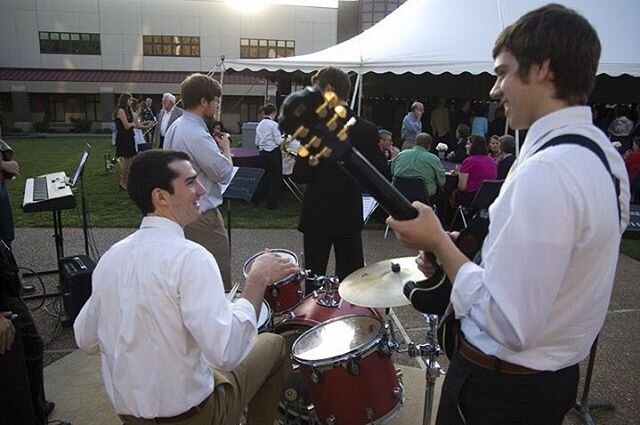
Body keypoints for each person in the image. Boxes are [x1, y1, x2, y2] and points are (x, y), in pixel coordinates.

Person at [387, 5, 630, 425]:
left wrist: (440, 244)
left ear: (543, 69)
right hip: (549, 382)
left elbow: (509, 322)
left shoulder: (546, 172)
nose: (495, 89)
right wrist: (452, 257)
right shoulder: (606, 160)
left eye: (503, 72)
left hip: (500, 394)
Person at [74, 150, 298, 425]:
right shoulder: (192, 257)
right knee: (273, 345)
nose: (202, 190)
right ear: (160, 197)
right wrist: (257, 280)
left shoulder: (111, 257)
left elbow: (84, 338)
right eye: (191, 182)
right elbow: (226, 353)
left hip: (131, 416)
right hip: (193, 417)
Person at [292, 66, 386, 283]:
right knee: (351, 283)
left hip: (317, 214)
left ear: (328, 89)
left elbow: (300, 175)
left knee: (314, 282)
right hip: (349, 213)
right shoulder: (369, 130)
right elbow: (369, 176)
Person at [163, 74, 234, 291]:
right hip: (201, 215)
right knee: (217, 273)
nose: (217, 105)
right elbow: (223, 173)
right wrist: (226, 149)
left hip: (180, 211)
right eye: (215, 100)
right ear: (204, 101)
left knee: (191, 276)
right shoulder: (196, 133)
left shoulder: (177, 125)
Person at [391, 132, 445, 201]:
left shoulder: (400, 155)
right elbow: (442, 182)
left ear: (415, 143)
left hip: (398, 196)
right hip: (424, 199)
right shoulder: (434, 159)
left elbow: (392, 172)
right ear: (429, 145)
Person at [454, 134, 497, 207]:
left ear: (474, 146)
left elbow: (462, 187)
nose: (465, 146)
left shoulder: (468, 161)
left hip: (471, 198)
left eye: (468, 144)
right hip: (488, 199)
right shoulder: (492, 161)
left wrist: (459, 176)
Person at [255, 104, 283, 210]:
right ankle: (271, 203)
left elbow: (256, 142)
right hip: (273, 152)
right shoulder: (274, 125)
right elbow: (278, 141)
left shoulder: (259, 125)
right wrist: (286, 139)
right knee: (275, 178)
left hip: (262, 153)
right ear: (274, 113)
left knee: (265, 177)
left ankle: (257, 197)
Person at [113, 92, 136, 190]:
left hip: (129, 137)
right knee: (126, 161)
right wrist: (132, 125)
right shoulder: (121, 111)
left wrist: (132, 111)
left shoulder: (127, 111)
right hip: (124, 138)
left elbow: (134, 121)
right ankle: (122, 182)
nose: (131, 101)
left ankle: (126, 180)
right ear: (125, 100)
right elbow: (127, 126)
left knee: (130, 160)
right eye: (130, 99)